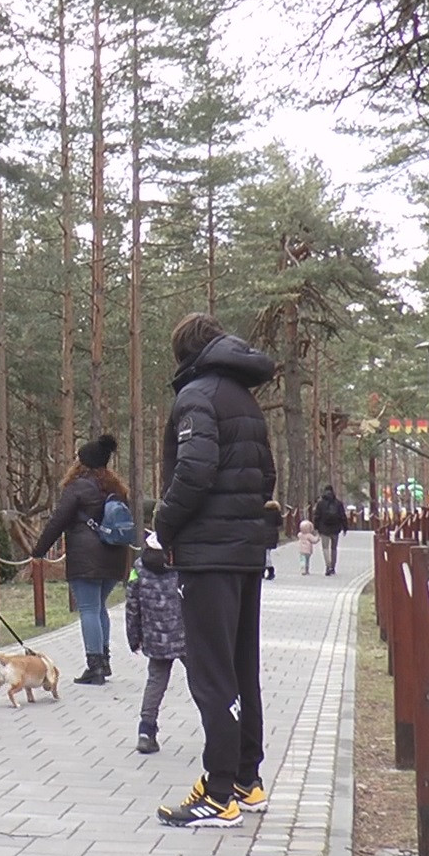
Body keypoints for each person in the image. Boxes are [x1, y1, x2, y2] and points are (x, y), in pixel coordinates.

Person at [144, 312, 278, 829]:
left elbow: (194, 471)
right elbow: (265, 474)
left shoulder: (197, 395)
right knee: (242, 668)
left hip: (208, 556)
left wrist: (164, 527)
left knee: (211, 674)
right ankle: (246, 778)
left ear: (183, 353)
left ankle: (219, 792)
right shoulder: (244, 398)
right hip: (245, 553)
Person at [30, 435, 131, 685]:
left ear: (82, 462)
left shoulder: (76, 488)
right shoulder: (117, 489)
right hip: (115, 556)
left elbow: (57, 521)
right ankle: (104, 662)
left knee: (89, 609)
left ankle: (95, 666)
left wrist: (38, 552)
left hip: (86, 558)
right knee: (99, 607)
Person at [124, 547, 185, 754]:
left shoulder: (139, 567)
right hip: (186, 635)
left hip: (155, 637)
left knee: (155, 682)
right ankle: (217, 728)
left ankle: (146, 731)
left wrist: (134, 637)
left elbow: (132, 604)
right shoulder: (184, 560)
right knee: (202, 681)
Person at [312, 484, 348, 576]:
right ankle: (333, 566)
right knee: (334, 548)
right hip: (335, 529)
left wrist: (316, 528)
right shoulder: (338, 503)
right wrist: (345, 528)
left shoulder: (320, 503)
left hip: (324, 529)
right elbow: (342, 516)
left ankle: (327, 565)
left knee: (325, 548)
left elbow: (317, 516)